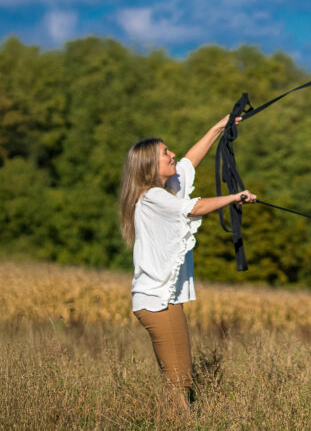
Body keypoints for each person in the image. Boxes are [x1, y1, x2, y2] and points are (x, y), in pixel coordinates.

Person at [118, 115, 257, 413]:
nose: (172, 155)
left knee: (178, 381)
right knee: (179, 383)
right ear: (150, 166)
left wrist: (221, 126)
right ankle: (176, 421)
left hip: (162, 301)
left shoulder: (165, 190)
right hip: (158, 303)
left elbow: (189, 162)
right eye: (165, 153)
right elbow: (195, 207)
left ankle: (171, 419)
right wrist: (235, 197)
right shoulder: (153, 197)